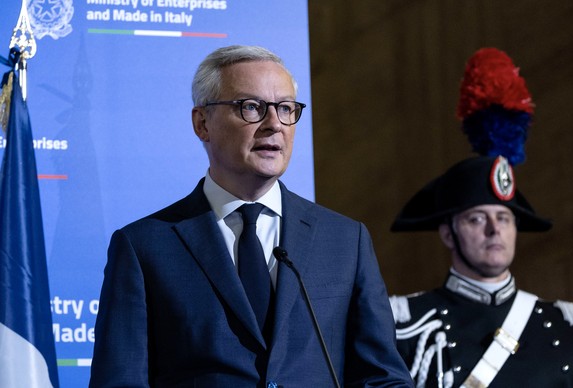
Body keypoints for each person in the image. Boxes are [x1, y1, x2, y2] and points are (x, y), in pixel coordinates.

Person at [89, 45, 413, 387]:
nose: (274, 124)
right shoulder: (145, 246)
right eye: (251, 107)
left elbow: (383, 378)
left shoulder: (346, 240)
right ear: (202, 123)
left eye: (286, 108)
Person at [388, 47, 573, 388]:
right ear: (448, 233)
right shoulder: (404, 324)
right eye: (477, 219)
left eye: (504, 219)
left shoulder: (568, 326)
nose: (495, 230)